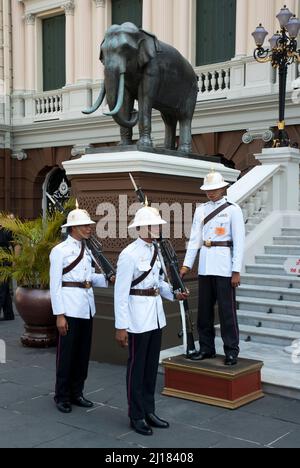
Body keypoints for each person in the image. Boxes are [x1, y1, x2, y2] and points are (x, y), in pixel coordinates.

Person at [114, 205, 189, 436]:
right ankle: (136, 415)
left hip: (155, 316)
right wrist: (121, 326)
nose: (158, 228)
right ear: (143, 228)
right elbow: (121, 291)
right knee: (137, 369)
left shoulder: (156, 251)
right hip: (136, 318)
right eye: (155, 225)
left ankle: (149, 410)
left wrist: (174, 294)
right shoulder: (129, 254)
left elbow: (159, 283)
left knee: (149, 369)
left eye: (158, 225)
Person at [50, 206, 114, 414]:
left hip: (86, 306)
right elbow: (55, 285)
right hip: (69, 308)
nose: (89, 229)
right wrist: (60, 315)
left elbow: (89, 278)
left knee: (82, 353)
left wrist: (107, 278)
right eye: (85, 225)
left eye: (89, 225)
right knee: (67, 354)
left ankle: (77, 392)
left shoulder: (88, 250)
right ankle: (62, 395)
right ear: (74, 228)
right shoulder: (59, 251)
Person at [180, 170, 245, 366]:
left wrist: (236, 271)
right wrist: (186, 265)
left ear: (223, 188)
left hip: (225, 267)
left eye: (214, 189)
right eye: (208, 190)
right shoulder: (201, 210)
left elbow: (239, 242)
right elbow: (194, 240)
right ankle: (207, 348)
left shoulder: (233, 210)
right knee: (204, 312)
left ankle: (231, 350)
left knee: (227, 312)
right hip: (206, 266)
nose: (210, 193)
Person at [0, 220, 14, 321]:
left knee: (1, 288)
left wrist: (15, 261)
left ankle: (9, 314)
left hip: (5, 262)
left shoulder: (6, 231)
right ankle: (9, 314)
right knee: (4, 289)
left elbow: (17, 245)